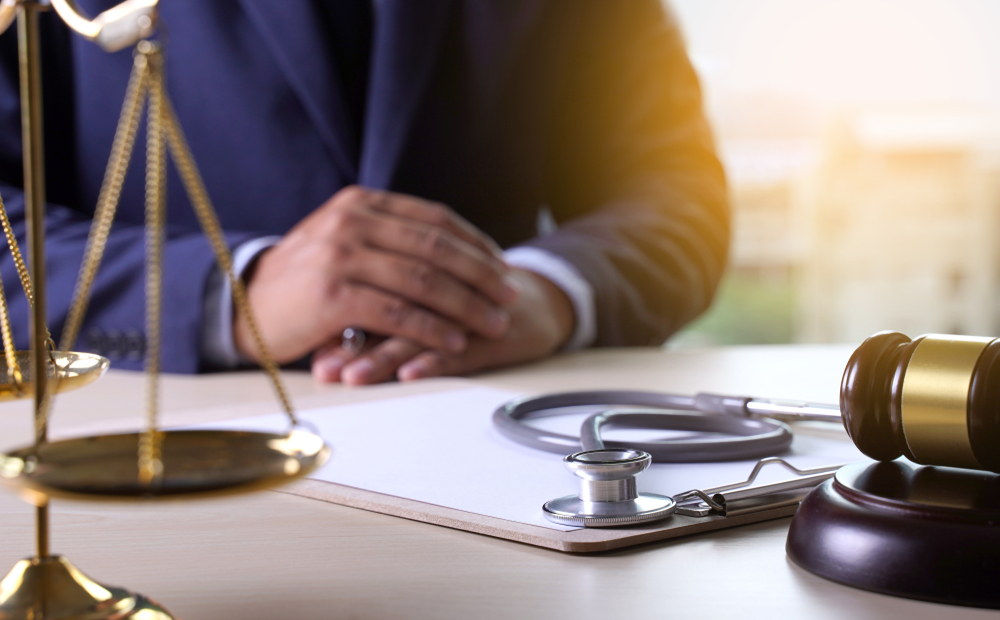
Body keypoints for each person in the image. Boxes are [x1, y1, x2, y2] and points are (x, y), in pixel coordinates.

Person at [0, 0, 728, 385]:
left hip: (487, 420)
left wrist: (545, 291)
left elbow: (674, 191)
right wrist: (230, 292)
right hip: (156, 445)